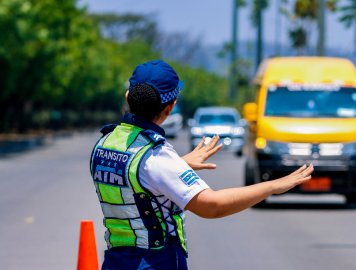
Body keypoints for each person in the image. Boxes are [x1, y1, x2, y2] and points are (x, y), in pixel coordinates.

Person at [90, 60, 314, 270]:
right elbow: (212, 206)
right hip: (154, 262)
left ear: (129, 97)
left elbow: (132, 177)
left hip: (115, 262)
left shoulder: (104, 144)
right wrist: (274, 186)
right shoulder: (156, 156)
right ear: (170, 107)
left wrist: (180, 164)